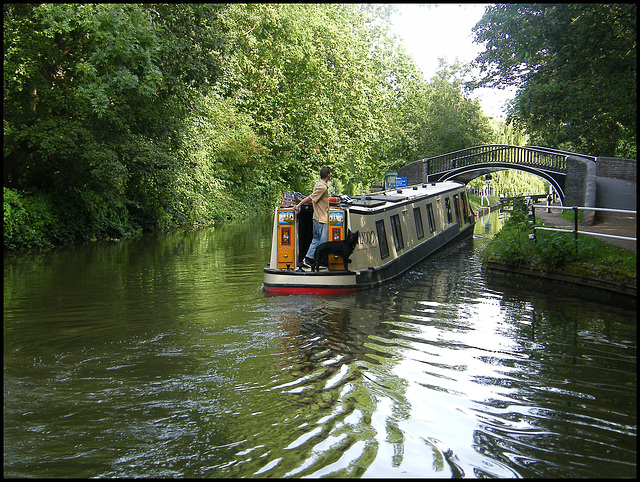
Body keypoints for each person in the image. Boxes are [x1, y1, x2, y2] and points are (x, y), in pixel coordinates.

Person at [294, 166, 331, 268]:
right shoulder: (322, 187)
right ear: (328, 175)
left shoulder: (318, 184)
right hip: (321, 218)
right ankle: (319, 262)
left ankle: (308, 259)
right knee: (323, 242)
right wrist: (299, 205)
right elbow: (311, 197)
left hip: (316, 217)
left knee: (316, 240)